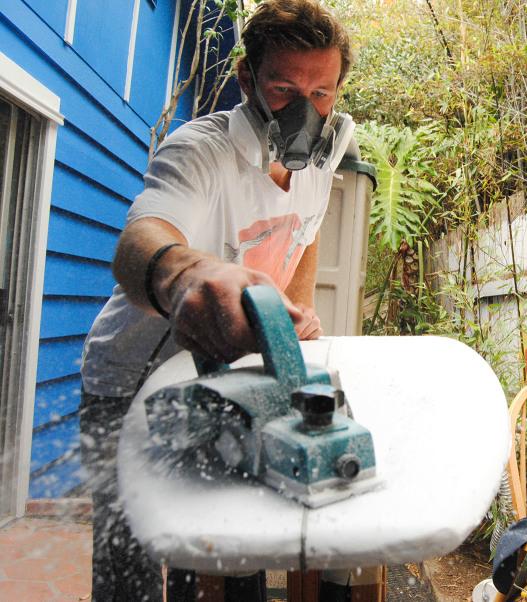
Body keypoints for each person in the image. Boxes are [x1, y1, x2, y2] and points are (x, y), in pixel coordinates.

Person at [79, 1, 354, 599]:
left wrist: (292, 319)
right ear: (246, 80)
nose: (306, 111)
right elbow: (139, 241)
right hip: (130, 376)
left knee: (214, 549)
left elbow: (302, 239)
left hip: (215, 377)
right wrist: (185, 276)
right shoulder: (199, 151)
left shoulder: (322, 160)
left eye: (322, 93)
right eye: (283, 89)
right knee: (130, 556)